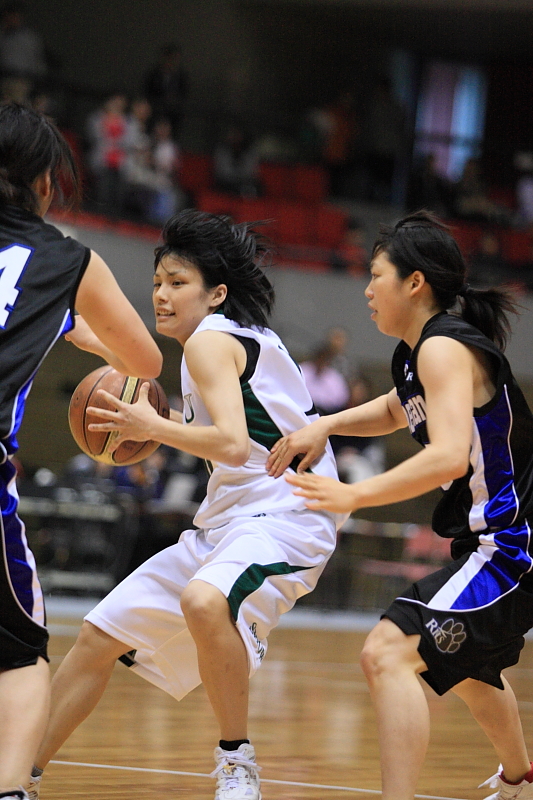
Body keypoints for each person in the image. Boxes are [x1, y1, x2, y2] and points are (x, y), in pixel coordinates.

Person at [27, 210, 344, 800]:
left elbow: (228, 442)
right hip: (231, 519)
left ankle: (236, 762)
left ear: (216, 293)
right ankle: (22, 774)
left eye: (178, 283)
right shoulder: (226, 339)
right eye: (157, 283)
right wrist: (144, 413)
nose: (161, 296)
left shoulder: (210, 342)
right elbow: (227, 435)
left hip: (289, 516)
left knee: (205, 600)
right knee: (98, 637)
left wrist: (150, 422)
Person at [266, 210, 533, 800]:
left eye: (375, 274)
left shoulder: (443, 348)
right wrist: (326, 425)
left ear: (414, 283)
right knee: (464, 667)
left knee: (387, 652)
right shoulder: (417, 355)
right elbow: (394, 408)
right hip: (489, 542)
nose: (365, 289)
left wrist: (354, 494)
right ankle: (522, 782)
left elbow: (447, 459)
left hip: (513, 545)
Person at [0, 101, 162, 800]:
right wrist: (86, 332)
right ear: (44, 183)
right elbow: (145, 361)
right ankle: (10, 788)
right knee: (18, 654)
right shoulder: (67, 258)